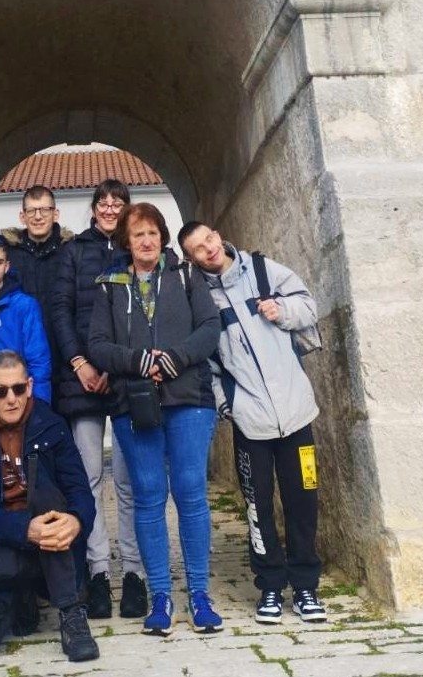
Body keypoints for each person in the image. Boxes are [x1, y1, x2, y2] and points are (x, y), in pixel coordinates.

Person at [177, 222, 327, 625]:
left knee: (303, 501)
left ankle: (306, 587)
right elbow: (204, 362)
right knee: (258, 507)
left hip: (297, 413)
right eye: (197, 249)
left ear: (217, 235)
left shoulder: (262, 270)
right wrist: (229, 406)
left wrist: (283, 311)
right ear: (191, 259)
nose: (208, 249)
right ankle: (271, 587)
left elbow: (308, 304)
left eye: (209, 239)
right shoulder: (199, 298)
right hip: (250, 423)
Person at [88, 203, 222, 637]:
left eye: (152, 233)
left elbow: (209, 327)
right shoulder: (109, 286)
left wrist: (175, 358)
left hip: (189, 398)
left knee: (190, 492)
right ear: (125, 241)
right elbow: (98, 344)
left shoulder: (186, 275)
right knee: (148, 497)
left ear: (161, 237)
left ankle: (199, 595)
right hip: (135, 404)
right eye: (137, 234)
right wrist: (140, 361)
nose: (145, 241)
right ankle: (161, 596)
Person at [0, 350, 100, 665]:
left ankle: (71, 612)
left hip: (51, 541)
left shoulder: (51, 424)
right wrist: (24, 530)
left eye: (18, 389)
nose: (11, 399)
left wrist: (76, 520)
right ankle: (19, 596)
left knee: (47, 497)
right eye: (1, 391)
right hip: (3, 540)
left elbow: (80, 491)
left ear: (29, 386)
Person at [50, 178, 146, 620]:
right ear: (93, 209)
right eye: (103, 202)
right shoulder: (73, 252)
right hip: (82, 382)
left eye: (117, 202)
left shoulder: (134, 251)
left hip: (125, 379)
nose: (109, 208)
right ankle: (97, 572)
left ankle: (134, 574)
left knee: (128, 481)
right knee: (88, 479)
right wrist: (80, 364)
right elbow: (61, 310)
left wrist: (115, 365)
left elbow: (143, 315)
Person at [0, 232, 53, 403]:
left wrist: (39, 407)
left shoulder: (24, 306)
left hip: (12, 400)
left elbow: (39, 363)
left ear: (7, 266)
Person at [2, 185, 74, 339]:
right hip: (21, 341)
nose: (38, 216)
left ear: (55, 214)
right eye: (31, 210)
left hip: (63, 343)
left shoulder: (71, 251)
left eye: (44, 210)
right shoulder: (9, 253)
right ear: (22, 216)